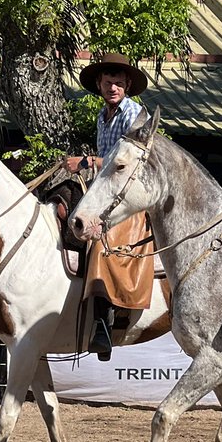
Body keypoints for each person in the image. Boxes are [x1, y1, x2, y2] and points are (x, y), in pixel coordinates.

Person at [72, 53, 156, 359]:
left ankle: (103, 322)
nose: (113, 88)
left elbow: (129, 162)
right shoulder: (101, 117)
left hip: (129, 198)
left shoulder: (134, 114)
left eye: (119, 83)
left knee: (99, 240)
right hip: (106, 193)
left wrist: (85, 161)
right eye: (108, 82)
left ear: (127, 85)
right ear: (99, 84)